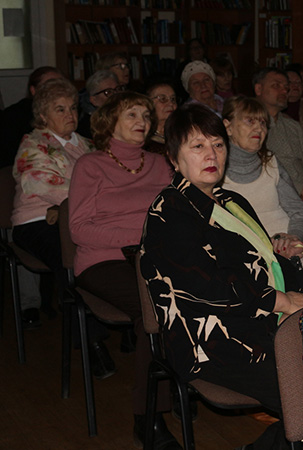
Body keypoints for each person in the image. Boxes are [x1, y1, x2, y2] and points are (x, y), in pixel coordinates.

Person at [140, 103, 303, 450]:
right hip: (213, 341)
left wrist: (289, 264)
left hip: (262, 322)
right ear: (174, 158)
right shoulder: (168, 212)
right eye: (197, 146)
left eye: (217, 144)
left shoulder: (231, 200)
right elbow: (206, 287)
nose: (211, 154)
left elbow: (257, 265)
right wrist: (282, 300)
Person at [69, 90, 176, 448]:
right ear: (110, 120)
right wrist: (142, 234)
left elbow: (174, 215)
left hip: (156, 257)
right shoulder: (90, 165)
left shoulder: (160, 163)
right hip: (104, 259)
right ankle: (149, 417)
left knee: (201, 299)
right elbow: (79, 229)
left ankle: (182, 383)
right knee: (156, 312)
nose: (142, 122)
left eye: (146, 115)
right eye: (132, 115)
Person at [11, 78, 95, 334]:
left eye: (72, 107)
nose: (70, 114)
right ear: (43, 115)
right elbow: (47, 186)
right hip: (35, 222)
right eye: (60, 109)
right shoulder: (33, 144)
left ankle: (127, 332)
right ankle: (88, 338)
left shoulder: (86, 143)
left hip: (73, 217)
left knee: (111, 251)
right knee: (72, 255)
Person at [221, 96, 303, 262]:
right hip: (247, 256)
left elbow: (300, 212)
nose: (259, 128)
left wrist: (292, 238)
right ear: (227, 127)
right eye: (250, 121)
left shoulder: (271, 162)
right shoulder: (214, 172)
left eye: (263, 123)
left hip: (288, 248)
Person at [254, 67, 303, 210]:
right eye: (276, 86)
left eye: (286, 88)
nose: (284, 91)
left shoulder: (293, 126)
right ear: (259, 89)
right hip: (275, 197)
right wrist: (299, 189)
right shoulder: (250, 125)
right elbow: (261, 166)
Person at [0, 66, 64, 168]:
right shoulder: (15, 116)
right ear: (33, 90)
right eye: (50, 85)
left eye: (61, 85)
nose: (57, 90)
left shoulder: (70, 112)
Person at [76, 70, 123, 139]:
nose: (115, 95)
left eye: (118, 89)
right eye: (108, 92)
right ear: (94, 100)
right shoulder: (88, 127)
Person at [144, 80, 177, 156]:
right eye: (163, 99)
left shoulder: (182, 134)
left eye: (173, 99)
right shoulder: (143, 142)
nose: (171, 104)